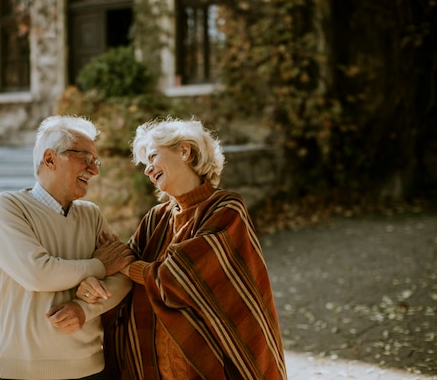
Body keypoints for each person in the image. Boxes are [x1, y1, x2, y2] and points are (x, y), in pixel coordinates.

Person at [77, 118, 287, 380]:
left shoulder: (226, 208)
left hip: (208, 364)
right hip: (152, 365)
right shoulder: (155, 218)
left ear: (184, 151)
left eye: (153, 156)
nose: (147, 170)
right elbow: (119, 265)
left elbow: (182, 276)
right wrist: (96, 274)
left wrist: (128, 266)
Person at [0, 115, 134, 380]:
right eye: (85, 158)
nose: (94, 170)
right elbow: (38, 273)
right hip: (22, 372)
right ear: (50, 159)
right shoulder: (6, 207)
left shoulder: (92, 215)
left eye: (95, 161)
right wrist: (100, 266)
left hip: (91, 368)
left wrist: (83, 308)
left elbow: (124, 274)